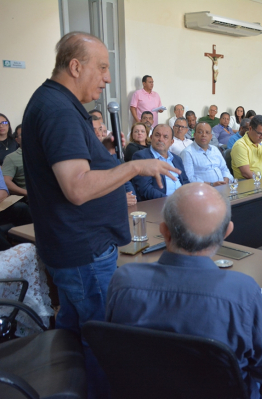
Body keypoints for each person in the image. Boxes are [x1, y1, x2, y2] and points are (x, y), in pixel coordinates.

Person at [21, 32, 178, 397]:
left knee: (74, 331)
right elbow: (77, 188)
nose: (108, 78)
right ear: (76, 66)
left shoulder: (56, 102)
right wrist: (134, 169)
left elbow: (73, 167)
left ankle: (69, 389)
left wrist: (101, 155)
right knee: (101, 338)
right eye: (103, 67)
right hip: (83, 251)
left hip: (76, 247)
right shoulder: (59, 109)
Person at [106, 183, 262, 398]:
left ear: (164, 231)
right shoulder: (243, 292)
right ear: (228, 231)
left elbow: (114, 351)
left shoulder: (123, 281)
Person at [132, 124, 190, 201]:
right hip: (158, 204)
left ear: (171, 142)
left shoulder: (177, 159)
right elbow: (145, 188)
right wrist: (169, 200)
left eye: (165, 137)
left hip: (181, 202)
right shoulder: (141, 157)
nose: (160, 139)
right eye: (157, 135)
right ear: (151, 138)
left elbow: (185, 182)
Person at [231, 115, 262, 180]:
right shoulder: (240, 145)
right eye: (259, 133)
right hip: (250, 183)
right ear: (250, 129)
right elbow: (246, 173)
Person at [3, 125, 27, 196]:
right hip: (33, 197)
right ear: (17, 140)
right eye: (22, 134)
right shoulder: (11, 158)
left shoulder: (45, 152)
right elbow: (6, 181)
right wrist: (28, 193)